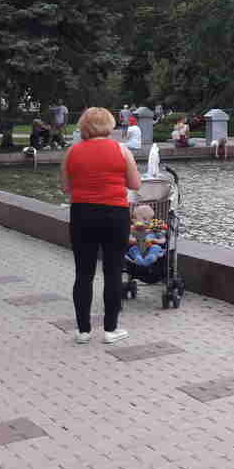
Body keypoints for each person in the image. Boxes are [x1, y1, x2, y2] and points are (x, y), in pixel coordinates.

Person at [60, 107, 141, 344]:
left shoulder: (72, 151)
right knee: (113, 271)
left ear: (84, 126)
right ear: (109, 124)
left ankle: (83, 331)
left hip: (82, 213)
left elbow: (65, 187)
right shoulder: (121, 150)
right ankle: (110, 329)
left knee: (83, 273)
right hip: (115, 214)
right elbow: (135, 184)